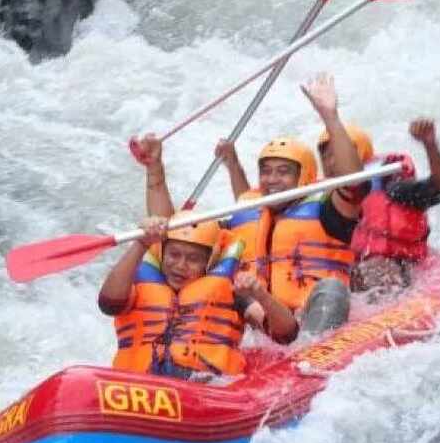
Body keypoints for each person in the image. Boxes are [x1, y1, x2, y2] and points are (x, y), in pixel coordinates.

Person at [137, 72, 365, 342]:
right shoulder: (246, 216)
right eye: (266, 171)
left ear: (304, 177)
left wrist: (330, 116)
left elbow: (354, 185)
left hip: (316, 318)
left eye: (283, 172)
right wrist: (154, 170)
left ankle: (310, 356)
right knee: (219, 282)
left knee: (332, 289)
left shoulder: (328, 211)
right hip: (263, 321)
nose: (272, 179)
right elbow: (173, 233)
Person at [98, 213, 291, 380]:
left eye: (193, 259)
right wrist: (141, 243)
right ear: (162, 253)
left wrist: (262, 296)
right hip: (135, 388)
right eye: (174, 255)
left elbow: (286, 334)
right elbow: (109, 304)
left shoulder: (232, 293)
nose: (180, 265)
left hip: (205, 389)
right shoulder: (137, 286)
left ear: (209, 262)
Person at [349, 118, 440, 291]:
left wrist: (430, 144)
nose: (331, 161)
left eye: (335, 153)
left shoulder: (393, 188)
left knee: (375, 268)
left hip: (396, 266)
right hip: (349, 272)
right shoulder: (319, 198)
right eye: (325, 155)